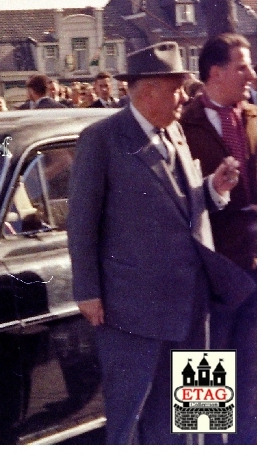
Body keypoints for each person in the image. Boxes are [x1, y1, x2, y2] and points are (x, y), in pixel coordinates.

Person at [67, 41, 255, 444]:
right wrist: (88, 292)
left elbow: (180, 205)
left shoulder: (177, 133)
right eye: (177, 89)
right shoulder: (102, 139)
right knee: (134, 416)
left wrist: (213, 190)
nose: (184, 98)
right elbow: (81, 223)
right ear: (148, 90)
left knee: (199, 415)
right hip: (134, 311)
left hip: (193, 303)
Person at [181, 33, 257, 444]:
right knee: (205, 399)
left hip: (257, 270)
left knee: (253, 390)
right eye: (242, 66)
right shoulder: (181, 127)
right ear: (215, 71)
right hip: (210, 278)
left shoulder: (257, 118)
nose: (252, 75)